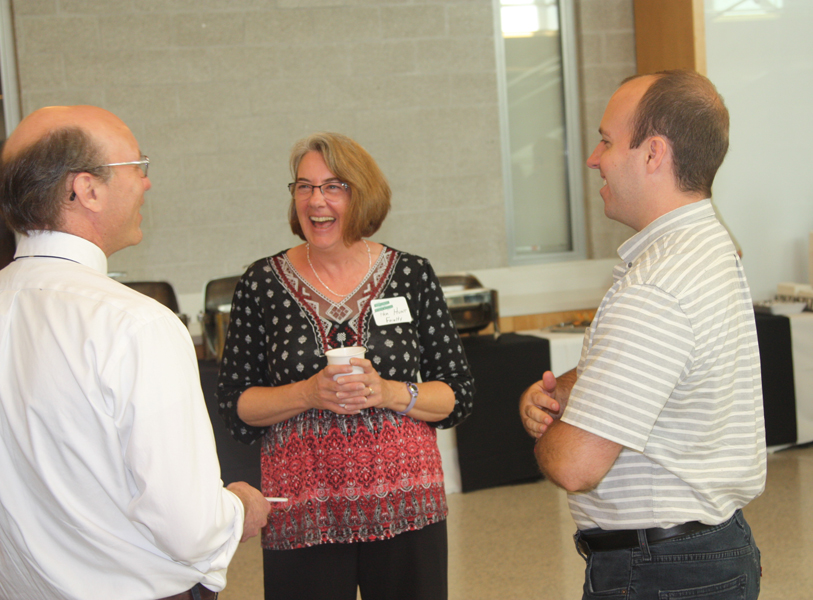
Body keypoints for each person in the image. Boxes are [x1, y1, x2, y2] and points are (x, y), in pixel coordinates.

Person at [0, 105, 271, 600]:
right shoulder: (135, 325)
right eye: (136, 166)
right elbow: (188, 527)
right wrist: (237, 508)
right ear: (86, 190)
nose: (146, 183)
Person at [519, 71, 766, 599]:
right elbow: (670, 364)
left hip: (662, 570)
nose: (593, 158)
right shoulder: (710, 244)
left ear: (654, 154)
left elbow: (574, 464)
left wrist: (551, 433)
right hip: (704, 553)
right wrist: (568, 390)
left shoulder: (657, 283)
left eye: (607, 140)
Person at [216, 132, 475, 600]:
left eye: (334, 186)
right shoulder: (261, 284)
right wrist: (309, 393)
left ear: (362, 194)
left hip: (407, 507)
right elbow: (235, 406)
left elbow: (458, 393)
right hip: (303, 512)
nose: (316, 201)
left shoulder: (411, 274)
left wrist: (392, 392)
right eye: (304, 186)